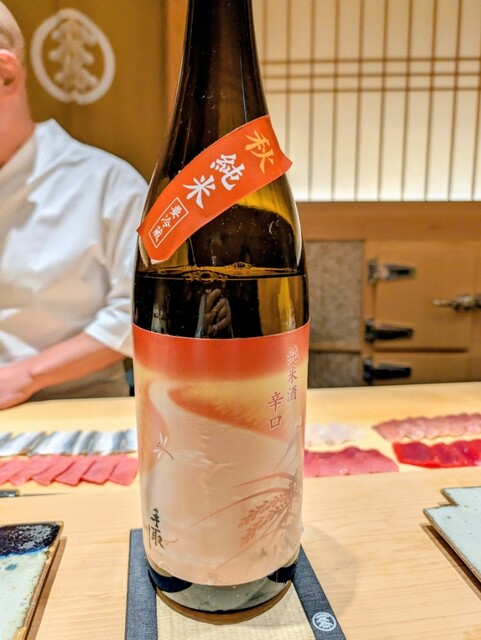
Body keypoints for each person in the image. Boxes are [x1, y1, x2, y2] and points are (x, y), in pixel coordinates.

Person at [0, 3, 149, 409]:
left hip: (78, 408)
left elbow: (137, 311)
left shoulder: (107, 184)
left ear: (7, 74)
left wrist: (25, 376)